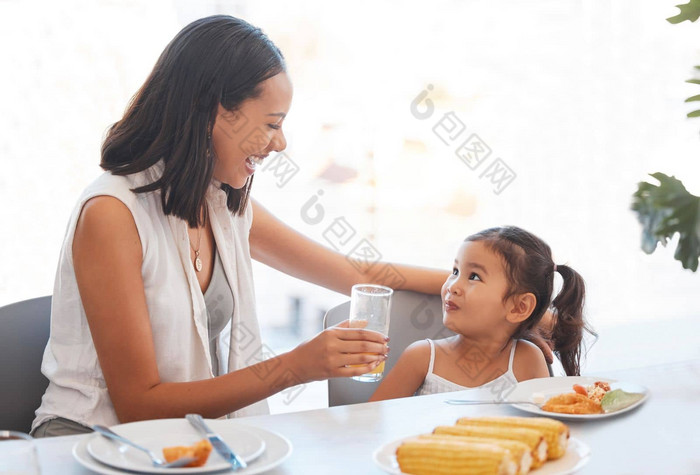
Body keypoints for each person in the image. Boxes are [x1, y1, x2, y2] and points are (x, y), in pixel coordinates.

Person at [30, 15, 449, 437]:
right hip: (88, 442)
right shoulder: (112, 214)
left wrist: (472, 285)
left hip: (180, 445)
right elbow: (140, 406)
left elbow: (356, 273)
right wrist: (296, 366)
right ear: (216, 113)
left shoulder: (222, 206)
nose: (280, 144)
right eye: (271, 124)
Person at [370, 226, 594, 402]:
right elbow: (371, 423)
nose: (452, 286)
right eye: (455, 271)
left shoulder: (527, 360)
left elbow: (544, 426)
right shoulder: (421, 358)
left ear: (519, 307)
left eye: (474, 276)